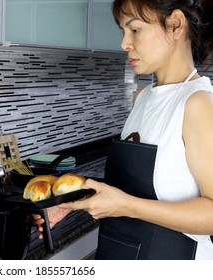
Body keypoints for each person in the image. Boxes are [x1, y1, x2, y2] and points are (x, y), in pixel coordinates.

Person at [34, 0, 213, 260]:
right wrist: (76, 201)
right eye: (122, 31)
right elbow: (134, 188)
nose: (124, 43)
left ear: (175, 24)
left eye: (135, 29)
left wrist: (126, 206)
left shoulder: (198, 103)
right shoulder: (142, 97)